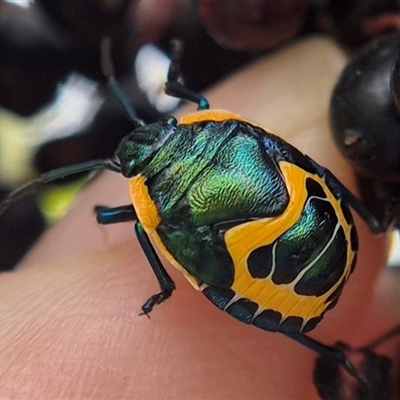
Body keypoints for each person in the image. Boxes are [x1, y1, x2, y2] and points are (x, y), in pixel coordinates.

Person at [0, 36, 398, 399]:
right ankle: (374, 223)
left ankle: (328, 348)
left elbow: (138, 229)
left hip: (300, 293)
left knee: (144, 230)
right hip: (334, 239)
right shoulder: (218, 127)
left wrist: (106, 219)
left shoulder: (156, 216)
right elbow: (228, 121)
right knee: (316, 175)